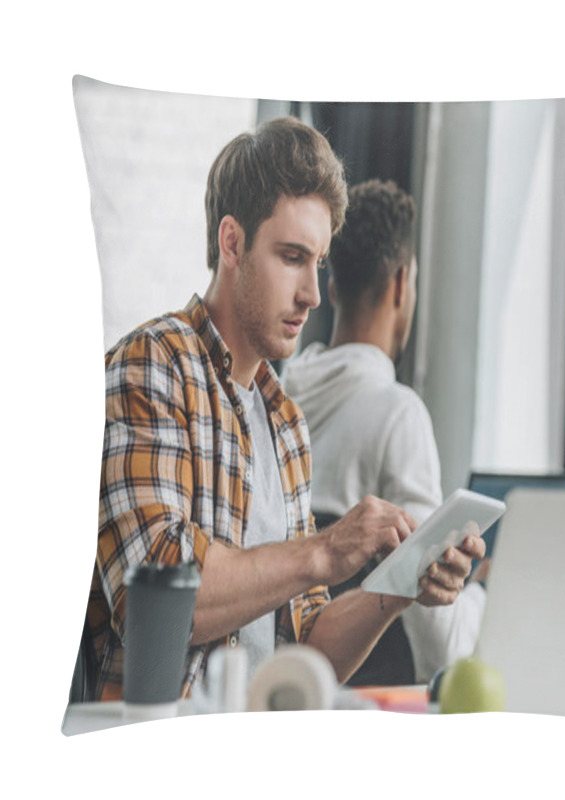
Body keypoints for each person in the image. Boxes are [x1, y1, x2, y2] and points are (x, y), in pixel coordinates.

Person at [84, 118, 484, 701]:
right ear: (232, 242)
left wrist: (401, 585)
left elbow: (305, 648)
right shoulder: (152, 366)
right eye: (292, 256)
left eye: (318, 262)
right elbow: (155, 600)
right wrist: (323, 551)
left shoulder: (285, 424)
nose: (313, 294)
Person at [283, 179, 487, 685]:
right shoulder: (398, 415)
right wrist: (483, 593)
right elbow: (441, 644)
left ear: (330, 290)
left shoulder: (281, 402)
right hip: (376, 706)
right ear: (401, 285)